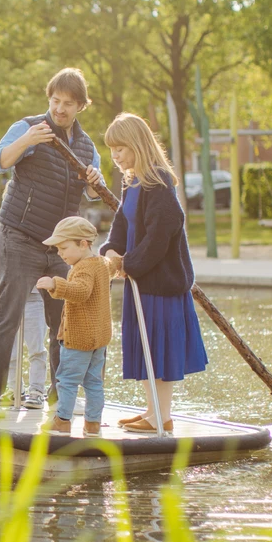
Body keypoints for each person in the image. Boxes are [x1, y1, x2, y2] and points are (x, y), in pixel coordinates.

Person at [0, 68, 106, 418]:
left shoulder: (87, 146)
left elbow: (94, 193)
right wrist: (27, 141)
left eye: (68, 104)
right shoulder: (28, 127)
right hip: (19, 236)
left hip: (61, 248)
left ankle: (61, 394)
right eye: (55, 101)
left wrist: (94, 180)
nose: (60, 109)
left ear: (80, 106)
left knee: (66, 321)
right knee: (8, 316)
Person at [98, 113, 208, 434]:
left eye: (120, 148)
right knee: (144, 347)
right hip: (140, 282)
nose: (115, 155)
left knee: (158, 349)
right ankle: (151, 412)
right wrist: (112, 250)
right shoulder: (132, 181)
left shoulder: (157, 182)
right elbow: (122, 224)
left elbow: (160, 235)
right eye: (112, 149)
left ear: (137, 144)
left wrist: (129, 264)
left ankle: (163, 416)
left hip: (159, 283)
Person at [35, 217, 112, 437]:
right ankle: (92, 424)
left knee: (67, 381)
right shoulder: (101, 263)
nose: (60, 253)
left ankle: (62, 421)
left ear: (84, 243)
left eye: (64, 247)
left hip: (78, 337)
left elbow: (81, 291)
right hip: (99, 337)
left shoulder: (82, 268)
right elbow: (114, 266)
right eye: (58, 248)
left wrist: (55, 284)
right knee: (94, 382)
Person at [0, 220, 49, 407]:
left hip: (34, 297)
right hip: (8, 295)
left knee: (36, 347)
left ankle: (37, 390)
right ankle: (15, 390)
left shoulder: (39, 231)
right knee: (10, 349)